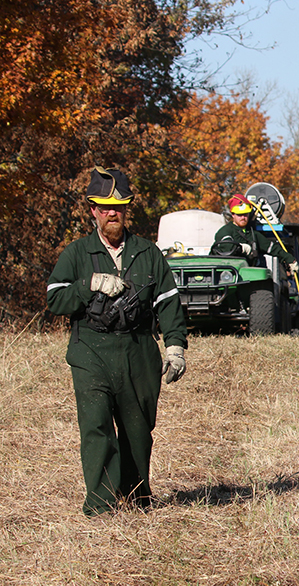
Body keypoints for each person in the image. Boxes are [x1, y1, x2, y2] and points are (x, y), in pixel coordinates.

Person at [47, 166, 188, 515]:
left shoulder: (148, 252)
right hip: (90, 349)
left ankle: (137, 496)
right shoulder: (76, 253)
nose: (113, 212)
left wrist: (175, 345)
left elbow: (168, 301)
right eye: (105, 206)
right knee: (96, 425)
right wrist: (88, 284)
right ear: (93, 210)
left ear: (127, 210)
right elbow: (54, 299)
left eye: (120, 206)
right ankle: (101, 503)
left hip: (138, 349)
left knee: (138, 428)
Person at [212, 193, 299, 275]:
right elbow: (227, 247)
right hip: (226, 275)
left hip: (246, 274)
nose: (243, 217)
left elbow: (272, 248)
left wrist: (290, 260)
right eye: (239, 214)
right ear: (233, 215)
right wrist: (242, 248)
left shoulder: (252, 234)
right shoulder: (225, 231)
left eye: (245, 214)